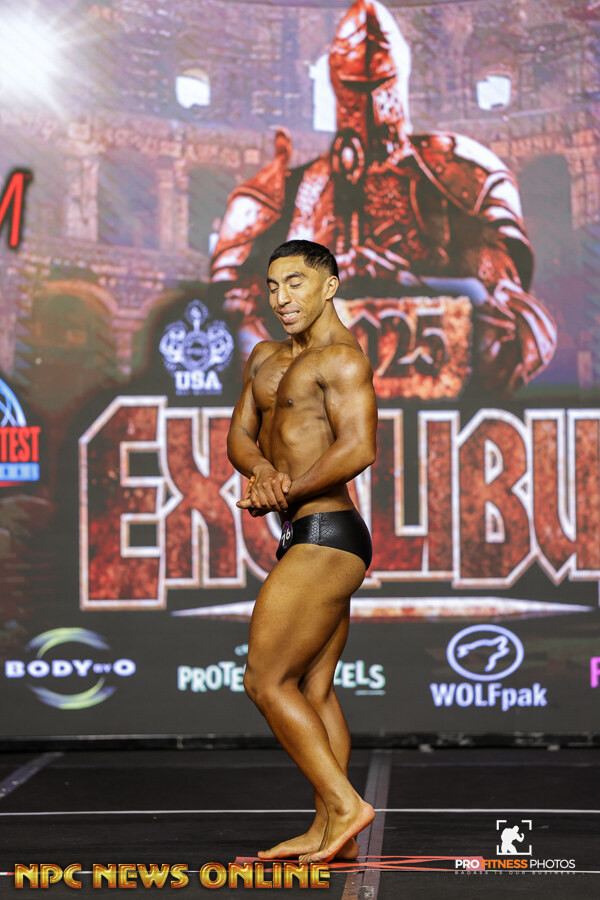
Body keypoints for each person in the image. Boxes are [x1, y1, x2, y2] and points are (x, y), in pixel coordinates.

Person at [211, 0, 556, 397]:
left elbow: (514, 315)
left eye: (377, 85)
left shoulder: (462, 175)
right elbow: (231, 313)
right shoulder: (286, 190)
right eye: (354, 87)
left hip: (438, 393)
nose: (367, 104)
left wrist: (410, 281)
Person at [226, 239, 377, 863]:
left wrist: (285, 489)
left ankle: (345, 806)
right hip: (301, 532)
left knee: (265, 679)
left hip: (328, 534)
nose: (281, 298)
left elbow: (359, 447)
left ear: (329, 286)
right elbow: (240, 434)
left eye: (295, 283)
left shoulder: (341, 359)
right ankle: (326, 832)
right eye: (272, 286)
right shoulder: (264, 357)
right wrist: (262, 471)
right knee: (313, 690)